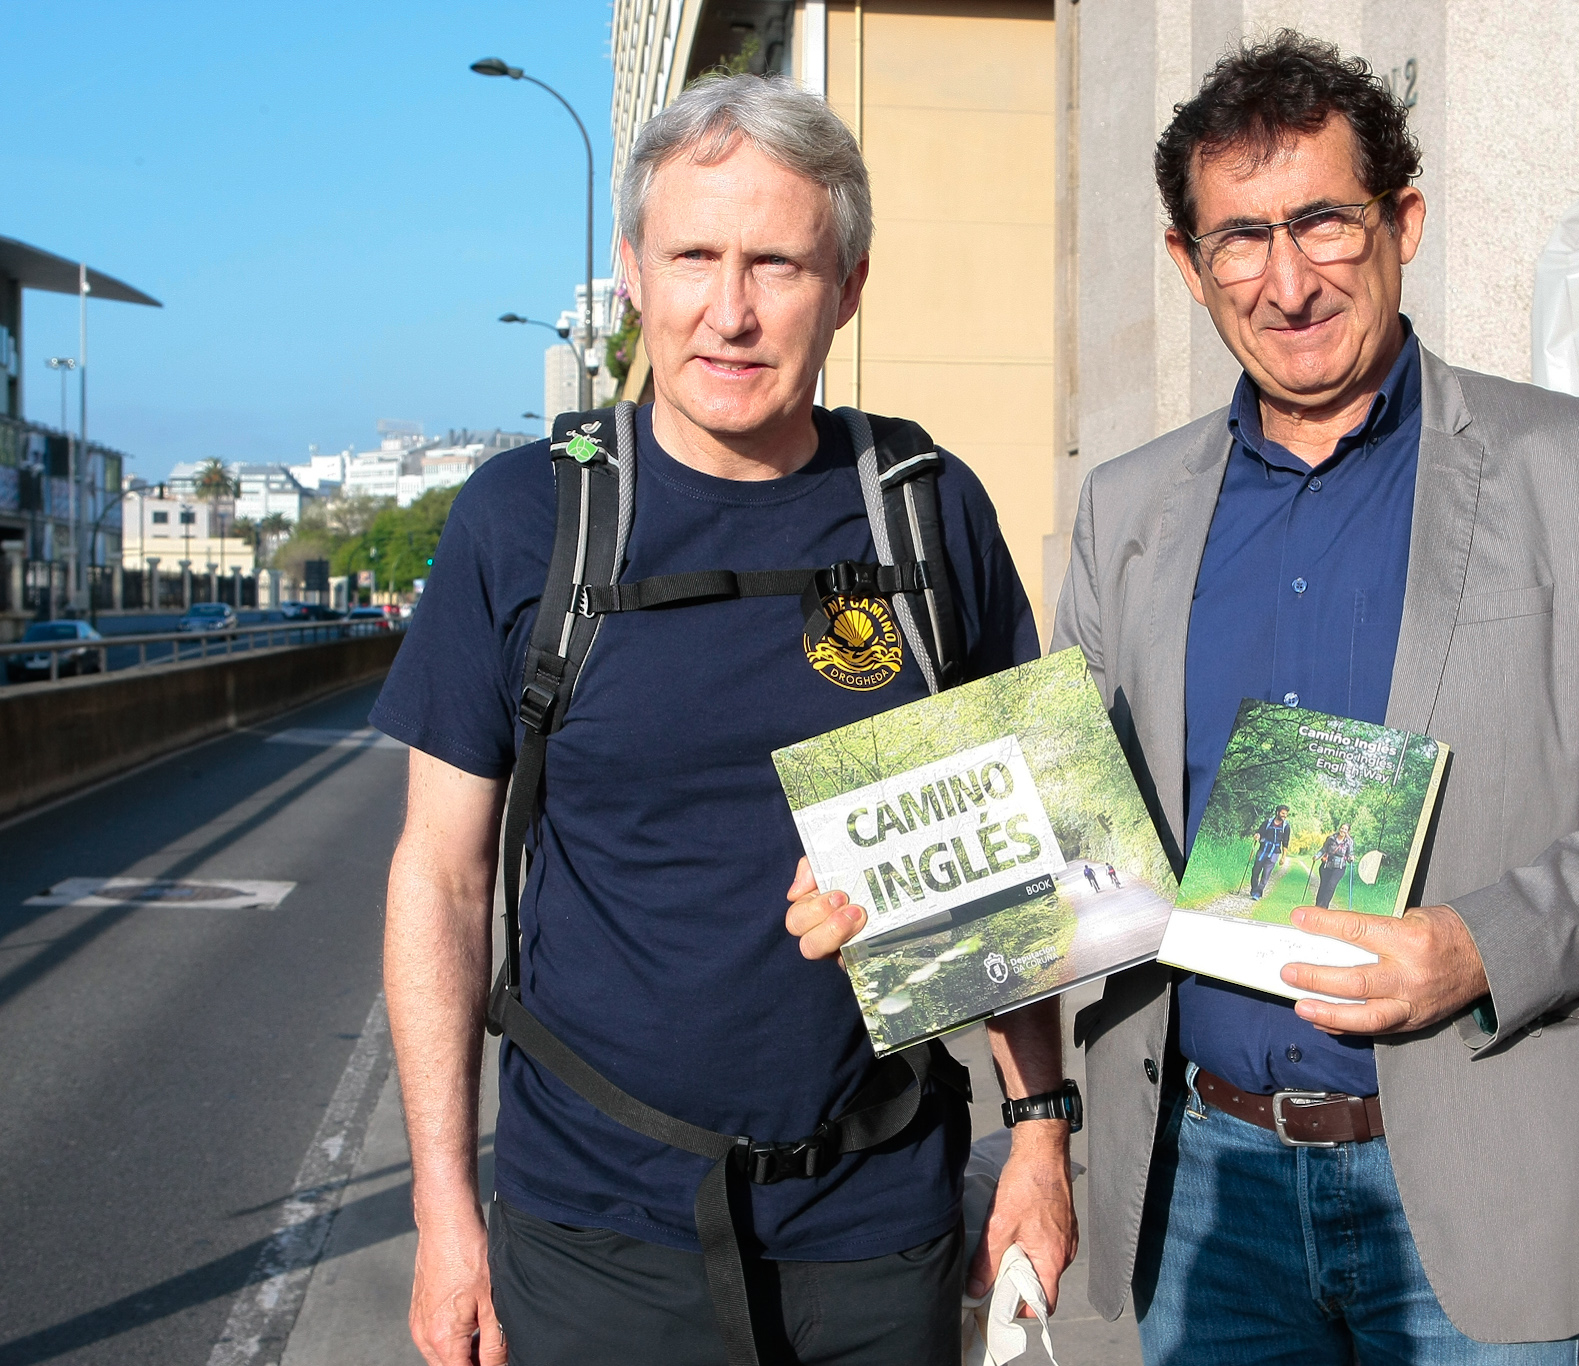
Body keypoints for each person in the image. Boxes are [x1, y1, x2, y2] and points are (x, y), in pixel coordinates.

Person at [1049, 32, 1579, 1363]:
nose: (1287, 281)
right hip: (1207, 1188)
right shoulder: (1126, 509)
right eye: (1239, 239)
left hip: (1478, 1180)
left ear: (1403, 223)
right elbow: (1070, 824)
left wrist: (1480, 944)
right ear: (1188, 265)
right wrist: (905, 902)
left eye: (1323, 221)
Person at [378, 74, 1070, 1366]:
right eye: (695, 256)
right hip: (593, 1232)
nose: (731, 311)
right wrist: (442, 1208)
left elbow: (1025, 860)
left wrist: (1040, 1140)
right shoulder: (524, 517)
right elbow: (442, 874)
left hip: (877, 1223)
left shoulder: (927, 511)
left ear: (847, 286)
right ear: (633, 271)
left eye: (777, 264)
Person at [1249, 804, 1292, 897]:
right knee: (1255, 871)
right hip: (1263, 850)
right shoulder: (1267, 822)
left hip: (1274, 852)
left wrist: (1283, 857)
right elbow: (1260, 832)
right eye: (1283, 813)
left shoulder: (1286, 827)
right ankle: (1254, 889)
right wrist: (1257, 835)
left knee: (1266, 873)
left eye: (1286, 814)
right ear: (1277, 812)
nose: (1284, 815)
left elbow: (1285, 842)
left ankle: (1257, 893)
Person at [1315, 823, 1354, 908]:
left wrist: (1351, 858)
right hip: (1327, 865)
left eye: (1345, 829)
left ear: (1348, 832)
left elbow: (1349, 854)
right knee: (1323, 885)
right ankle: (1317, 905)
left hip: (1339, 867)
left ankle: (1324, 906)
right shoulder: (1331, 838)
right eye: (1342, 828)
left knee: (1331, 885)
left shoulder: (1349, 842)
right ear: (1339, 828)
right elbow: (1323, 849)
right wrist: (1317, 856)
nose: (1343, 830)